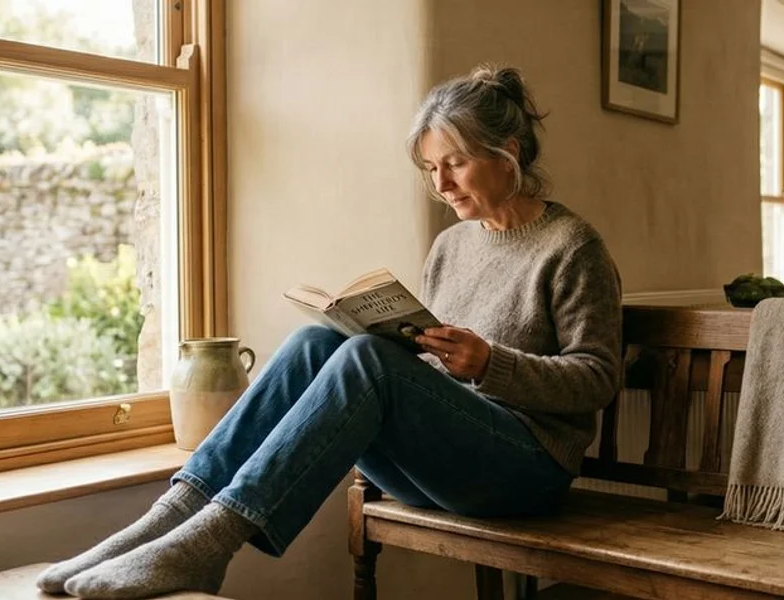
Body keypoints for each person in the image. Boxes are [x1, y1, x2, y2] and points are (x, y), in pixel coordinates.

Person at [38, 64, 624, 600]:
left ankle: (206, 546)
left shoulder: (573, 247)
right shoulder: (451, 246)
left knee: (367, 359)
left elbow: (597, 380)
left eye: (456, 163)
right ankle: (163, 525)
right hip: (446, 460)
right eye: (430, 169)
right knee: (315, 343)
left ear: (509, 153)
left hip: (526, 471)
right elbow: (429, 381)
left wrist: (489, 363)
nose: (442, 184)